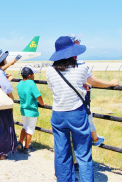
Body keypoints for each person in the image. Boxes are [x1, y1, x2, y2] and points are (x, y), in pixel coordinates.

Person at [46, 36, 94, 181]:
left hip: (58, 113)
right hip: (76, 113)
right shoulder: (82, 67)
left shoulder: (49, 70)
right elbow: (85, 81)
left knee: (62, 153)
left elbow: (53, 87)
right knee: (83, 153)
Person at [70, 34, 119, 146]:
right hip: (77, 108)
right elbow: (94, 81)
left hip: (60, 111)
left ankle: (72, 161)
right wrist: (111, 83)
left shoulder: (55, 66)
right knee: (82, 143)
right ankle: (94, 139)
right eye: (78, 42)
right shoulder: (80, 65)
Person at [16, 66, 45, 154]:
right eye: (33, 74)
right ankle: (27, 147)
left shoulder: (19, 83)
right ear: (29, 75)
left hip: (23, 109)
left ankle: (20, 143)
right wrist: (42, 103)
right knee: (30, 128)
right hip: (31, 109)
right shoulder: (31, 83)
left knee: (25, 126)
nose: (33, 76)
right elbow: (38, 95)